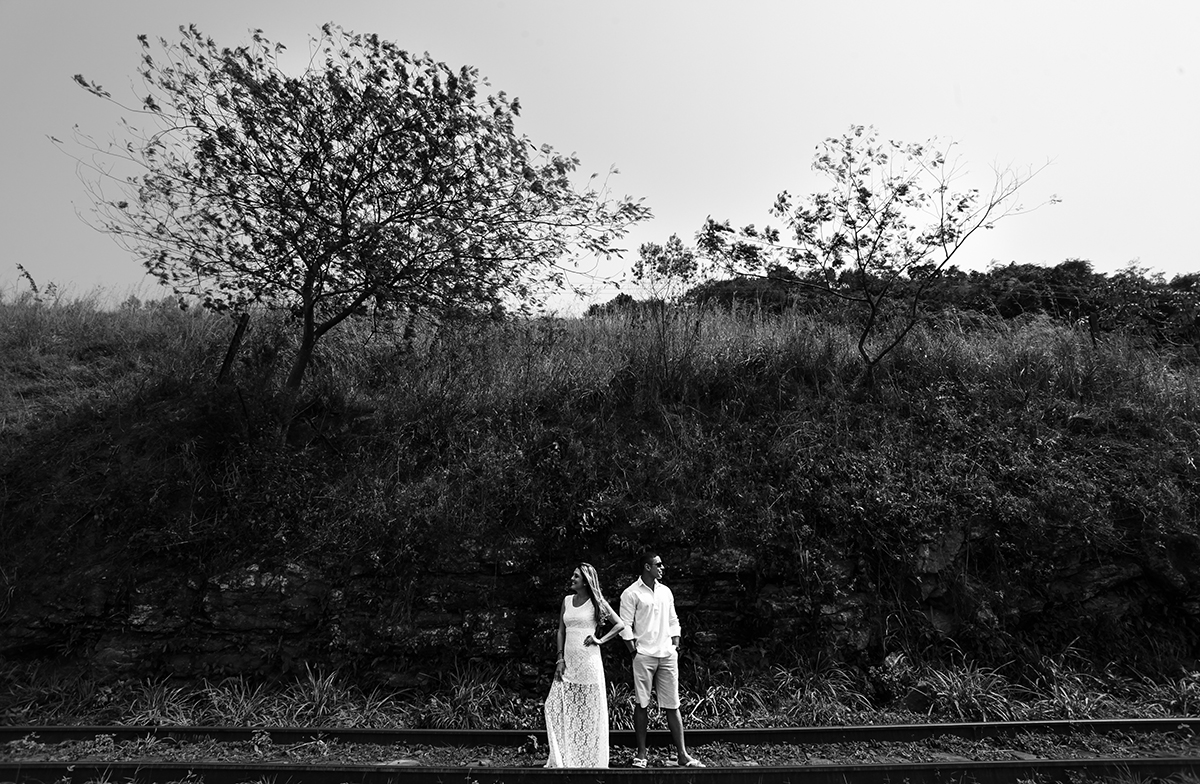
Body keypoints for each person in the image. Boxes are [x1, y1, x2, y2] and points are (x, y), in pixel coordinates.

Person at [619, 551, 705, 768]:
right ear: (647, 567)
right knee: (642, 704)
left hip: (667, 655)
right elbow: (624, 625)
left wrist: (674, 646)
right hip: (643, 655)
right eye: (658, 564)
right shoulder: (631, 593)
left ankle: (683, 755)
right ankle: (641, 755)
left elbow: (674, 620)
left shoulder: (666, 592)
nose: (662, 567)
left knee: (673, 705)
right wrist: (633, 651)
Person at [543, 563, 626, 768]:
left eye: (576, 576)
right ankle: (565, 757)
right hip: (568, 662)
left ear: (586, 581)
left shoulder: (596, 602)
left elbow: (620, 624)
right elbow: (561, 631)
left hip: (589, 661)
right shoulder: (567, 601)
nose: (572, 579)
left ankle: (589, 759)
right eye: (573, 575)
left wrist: (600, 640)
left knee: (589, 710)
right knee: (552, 705)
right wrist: (559, 658)